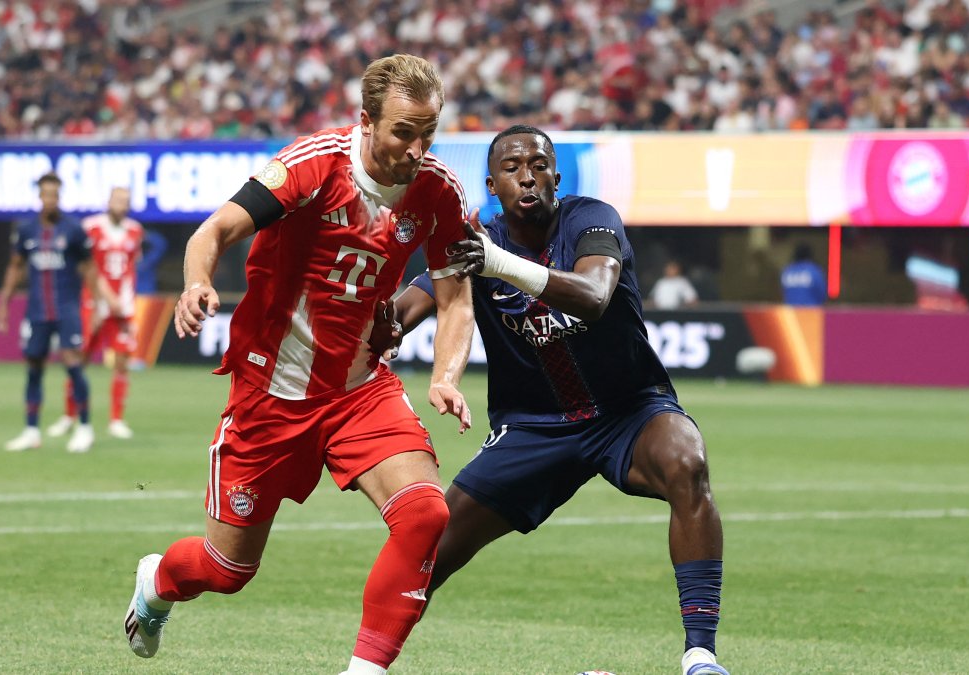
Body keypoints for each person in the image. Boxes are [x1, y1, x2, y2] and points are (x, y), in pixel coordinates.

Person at [122, 54, 476, 675]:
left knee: (425, 514)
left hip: (359, 389)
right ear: (366, 122)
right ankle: (156, 583)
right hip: (270, 394)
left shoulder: (440, 191)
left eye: (428, 133)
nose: (418, 148)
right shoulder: (313, 165)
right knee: (227, 569)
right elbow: (214, 230)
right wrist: (195, 283)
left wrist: (446, 374)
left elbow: (455, 298)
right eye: (403, 132)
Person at [380, 125, 730, 675]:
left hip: (628, 412)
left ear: (556, 177)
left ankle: (701, 657)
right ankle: (367, 666)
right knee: (430, 546)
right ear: (492, 183)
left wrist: (496, 263)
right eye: (514, 167)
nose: (528, 175)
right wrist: (368, 315)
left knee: (687, 460)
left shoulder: (591, 218)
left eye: (539, 165)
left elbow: (593, 297)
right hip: (532, 428)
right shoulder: (473, 245)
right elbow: (403, 314)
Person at [0, 172, 108, 453]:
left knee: (73, 364)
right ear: (39, 196)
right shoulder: (26, 230)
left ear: (60, 196)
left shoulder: (73, 230)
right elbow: (15, 266)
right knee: (34, 367)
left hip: (67, 308)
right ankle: (31, 430)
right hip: (37, 311)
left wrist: (96, 304)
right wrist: (4, 304)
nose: (50, 200)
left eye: (55, 195)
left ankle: (84, 427)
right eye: (46, 194)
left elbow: (89, 267)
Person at [46, 187, 143, 440]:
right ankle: (69, 416)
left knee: (122, 362)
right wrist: (105, 298)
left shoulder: (135, 230)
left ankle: (116, 420)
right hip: (94, 305)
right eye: (119, 200)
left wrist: (124, 300)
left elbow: (132, 267)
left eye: (127, 201)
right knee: (79, 361)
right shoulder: (91, 227)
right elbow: (87, 267)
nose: (123, 205)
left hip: (122, 308)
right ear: (108, 201)